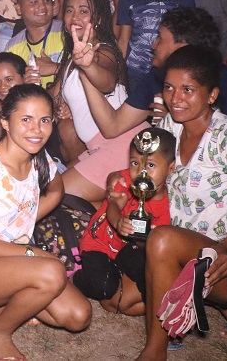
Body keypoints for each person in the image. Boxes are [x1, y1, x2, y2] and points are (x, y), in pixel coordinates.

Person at [136, 46, 227, 360]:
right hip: (186, 251)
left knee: (160, 242)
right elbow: (152, 189)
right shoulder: (165, 130)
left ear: (212, 94)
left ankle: (154, 352)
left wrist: (226, 247)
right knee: (124, 286)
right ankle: (176, 319)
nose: (175, 98)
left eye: (188, 89)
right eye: (169, 87)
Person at [0, 84, 91, 361]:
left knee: (78, 316)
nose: (36, 129)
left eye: (44, 120)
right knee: (51, 272)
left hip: (12, 259)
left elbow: (57, 190)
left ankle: (14, 297)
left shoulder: (39, 158)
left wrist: (22, 219)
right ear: (5, 122)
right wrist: (31, 252)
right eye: (26, 119)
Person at [82, 6, 227, 150]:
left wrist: (178, 121)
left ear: (182, 47)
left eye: (160, 38)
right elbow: (112, 126)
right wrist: (85, 68)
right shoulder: (156, 77)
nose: (153, 44)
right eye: (169, 88)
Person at [52, 0, 145, 203]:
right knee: (71, 199)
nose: (75, 17)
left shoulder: (104, 51)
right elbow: (52, 95)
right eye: (69, 10)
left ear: (99, 19)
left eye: (83, 11)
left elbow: (106, 82)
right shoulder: (70, 59)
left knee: (57, 198)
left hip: (120, 143)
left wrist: (88, 66)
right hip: (97, 147)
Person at [73, 128, 176, 316]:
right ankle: (76, 275)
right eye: (135, 163)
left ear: (171, 168)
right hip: (99, 244)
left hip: (127, 250)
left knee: (150, 271)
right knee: (103, 288)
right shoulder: (126, 178)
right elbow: (113, 203)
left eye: (151, 165)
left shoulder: (165, 204)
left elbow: (151, 245)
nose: (141, 172)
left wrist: (144, 238)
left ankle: (163, 309)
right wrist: (119, 221)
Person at [4, 0, 64, 88]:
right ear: (18, 9)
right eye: (33, 2)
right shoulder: (12, 47)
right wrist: (24, 85)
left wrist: (55, 68)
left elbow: (89, 72)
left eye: (47, 1)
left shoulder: (67, 32)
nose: (42, 7)